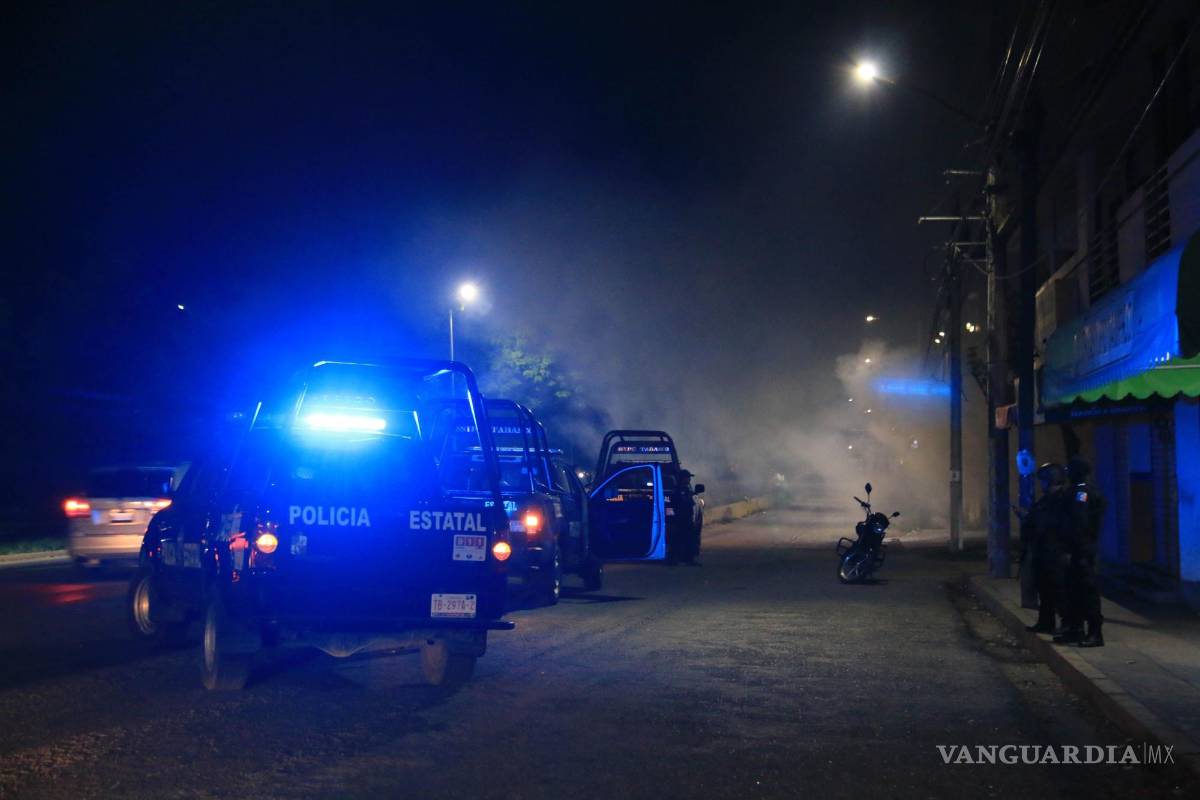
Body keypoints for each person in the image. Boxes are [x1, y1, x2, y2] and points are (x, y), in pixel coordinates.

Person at [1062, 456, 1106, 647]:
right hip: (1080, 548)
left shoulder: (1083, 493)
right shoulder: (1081, 491)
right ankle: (1075, 629)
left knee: (1087, 592)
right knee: (1074, 591)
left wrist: (1072, 549)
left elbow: (1080, 524)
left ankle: (1094, 633)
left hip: (1082, 550)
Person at [1025, 463, 1070, 634]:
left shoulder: (1062, 500)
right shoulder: (1045, 500)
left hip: (1056, 551)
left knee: (1059, 590)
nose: (1041, 484)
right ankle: (1045, 622)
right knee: (1044, 589)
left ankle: (1067, 624)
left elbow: (1066, 526)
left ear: (1052, 480)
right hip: (1043, 550)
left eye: (1043, 480)